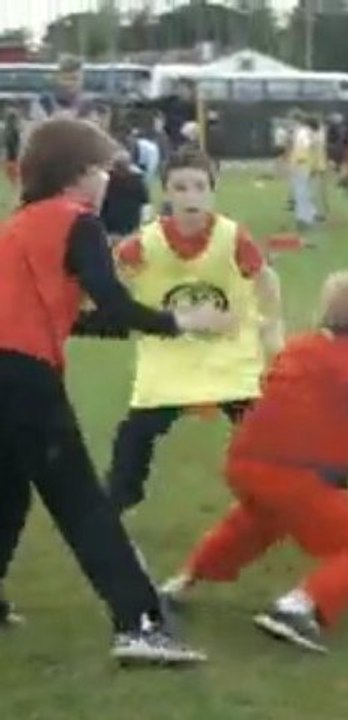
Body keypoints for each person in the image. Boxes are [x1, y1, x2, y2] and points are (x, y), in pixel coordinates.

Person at [0, 117, 230, 664]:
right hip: (24, 379)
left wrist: (151, 324)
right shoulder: (76, 222)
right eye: (105, 169)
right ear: (78, 174)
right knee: (83, 503)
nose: (109, 181)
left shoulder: (20, 224)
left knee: (7, 492)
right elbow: (110, 301)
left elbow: (72, 317)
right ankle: (140, 624)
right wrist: (177, 322)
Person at [159, 271, 348, 653]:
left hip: (246, 463)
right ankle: (297, 607)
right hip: (302, 475)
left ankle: (180, 584)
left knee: (254, 524)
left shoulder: (299, 346)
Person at [106, 146, 283, 515]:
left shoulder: (233, 237)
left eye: (199, 186)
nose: (191, 196)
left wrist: (271, 327)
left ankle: (274, 498)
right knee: (137, 432)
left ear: (212, 191)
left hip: (228, 351)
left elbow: (266, 278)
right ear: (166, 192)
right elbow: (108, 280)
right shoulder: (144, 243)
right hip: (170, 354)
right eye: (181, 187)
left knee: (262, 428)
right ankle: (118, 502)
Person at [100, 151, 152, 245]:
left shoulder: (107, 180)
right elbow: (146, 204)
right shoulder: (137, 181)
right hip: (126, 227)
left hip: (111, 227)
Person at [27, 56, 95, 125]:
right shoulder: (43, 102)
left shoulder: (87, 104)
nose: (70, 83)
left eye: (74, 79)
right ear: (58, 79)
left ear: (82, 80)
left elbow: (94, 132)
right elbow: (35, 131)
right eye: (65, 79)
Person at [2, 107, 20, 202]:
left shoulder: (12, 129)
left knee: (12, 175)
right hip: (11, 156)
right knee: (10, 174)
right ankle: (14, 191)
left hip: (12, 156)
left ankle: (15, 193)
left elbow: (12, 144)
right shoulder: (9, 129)